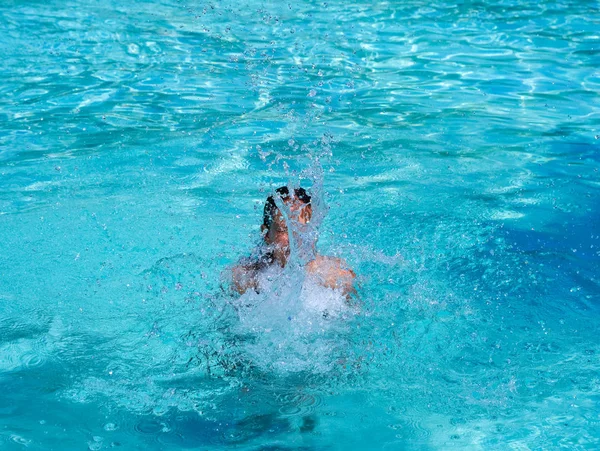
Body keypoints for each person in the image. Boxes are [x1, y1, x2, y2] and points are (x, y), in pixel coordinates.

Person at [230, 186, 355, 297]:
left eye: (303, 229)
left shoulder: (337, 277)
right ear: (266, 234)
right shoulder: (246, 279)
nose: (295, 239)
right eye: (284, 230)